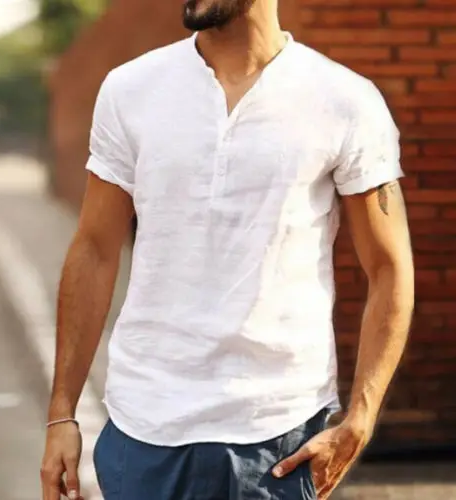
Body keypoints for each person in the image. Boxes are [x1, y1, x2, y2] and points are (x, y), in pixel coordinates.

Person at [40, 0, 414, 498]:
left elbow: (388, 266)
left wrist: (361, 417)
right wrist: (61, 413)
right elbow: (94, 249)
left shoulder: (344, 99)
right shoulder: (131, 89)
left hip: (280, 437)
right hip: (144, 430)